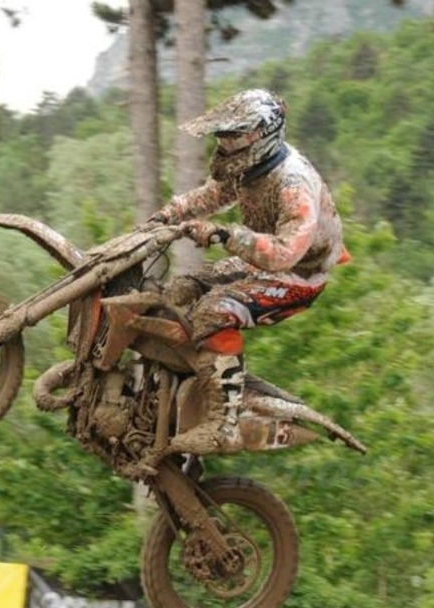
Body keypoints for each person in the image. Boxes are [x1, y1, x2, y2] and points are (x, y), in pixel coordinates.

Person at [147, 88, 350, 457]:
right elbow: (211, 196)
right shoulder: (249, 167)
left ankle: (223, 424)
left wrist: (226, 235)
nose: (225, 144)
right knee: (179, 290)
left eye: (234, 136)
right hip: (260, 261)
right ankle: (178, 385)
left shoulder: (293, 184)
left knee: (214, 311)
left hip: (299, 276)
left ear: (261, 136)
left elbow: (285, 252)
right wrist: (167, 215)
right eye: (223, 135)